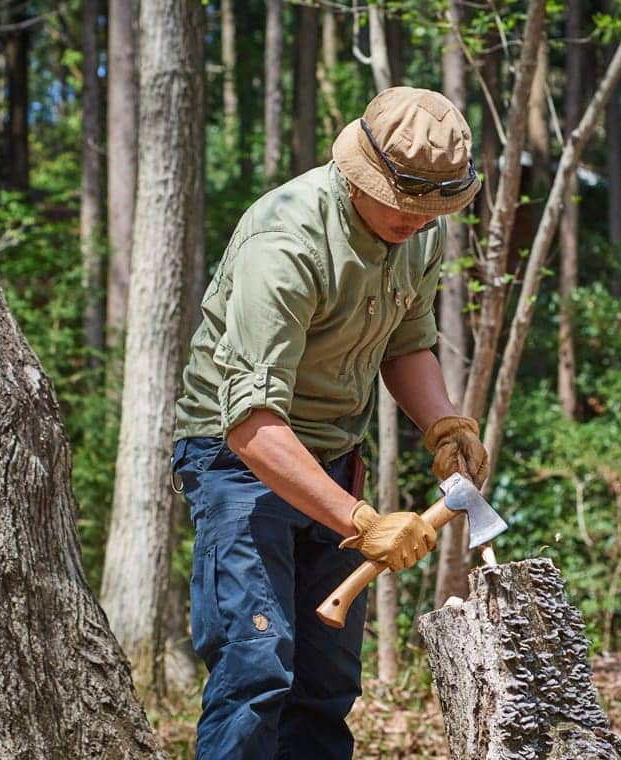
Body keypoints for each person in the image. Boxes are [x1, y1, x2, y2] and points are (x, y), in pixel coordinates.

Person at [170, 87, 489, 760]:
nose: (418, 220)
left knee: (326, 684)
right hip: (240, 462)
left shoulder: (416, 240)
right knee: (256, 668)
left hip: (334, 460)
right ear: (359, 173)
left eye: (432, 208)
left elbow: (408, 342)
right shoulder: (286, 241)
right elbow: (251, 426)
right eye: (405, 203)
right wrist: (365, 523)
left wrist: (441, 425)